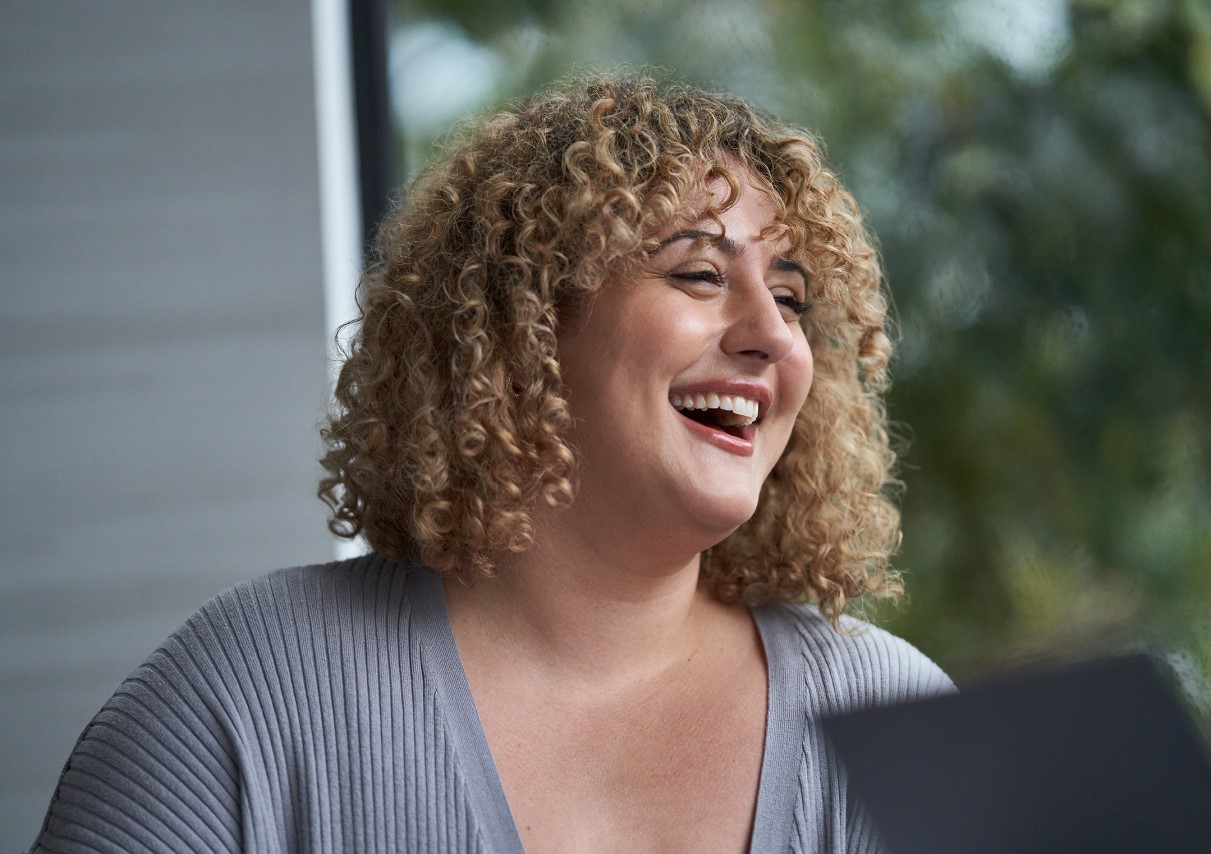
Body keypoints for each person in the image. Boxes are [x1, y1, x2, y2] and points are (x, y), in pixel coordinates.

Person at [31, 73, 951, 853]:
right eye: (699, 274)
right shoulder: (240, 700)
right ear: (522, 331)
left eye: (791, 297)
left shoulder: (899, 724)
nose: (771, 337)